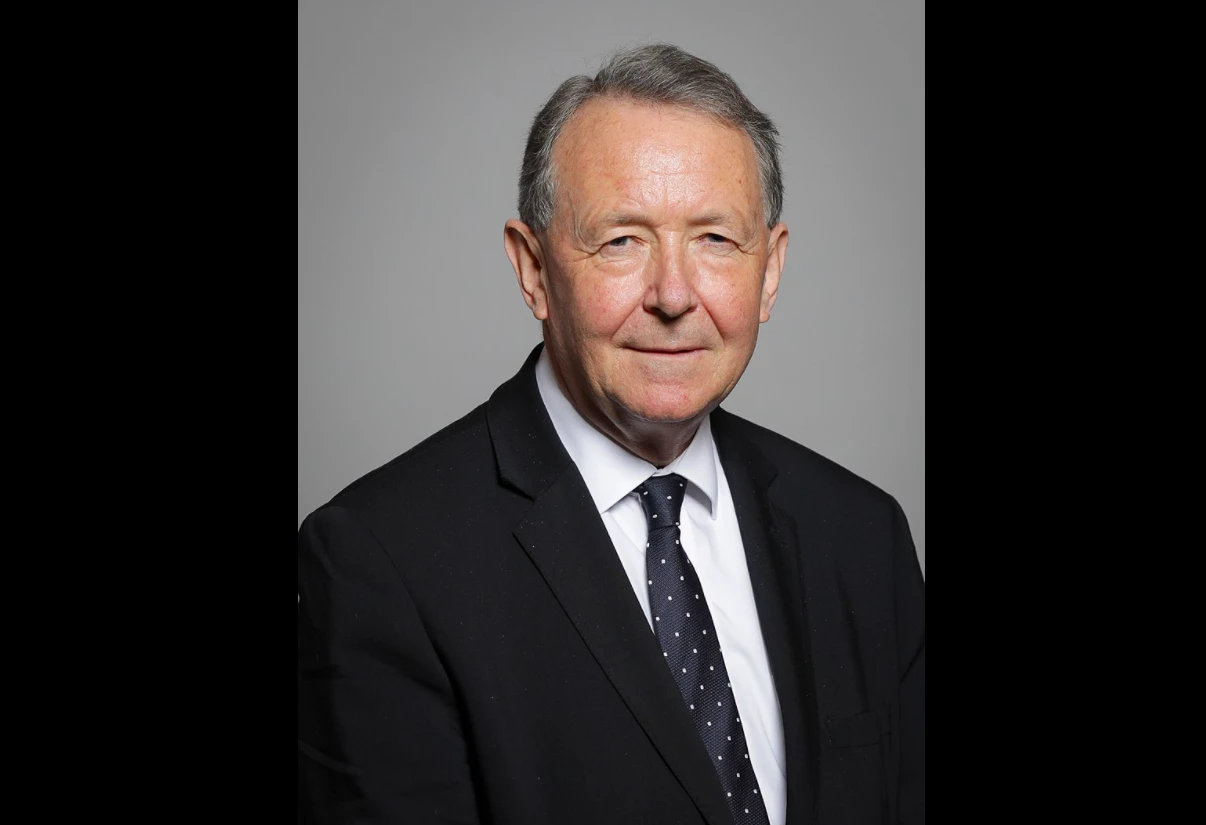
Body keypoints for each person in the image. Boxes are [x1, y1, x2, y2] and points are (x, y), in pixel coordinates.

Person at [298, 43, 924, 825]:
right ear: (533, 269)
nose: (673, 295)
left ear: (769, 271)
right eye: (622, 239)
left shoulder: (863, 537)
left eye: (716, 239)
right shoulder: (382, 562)